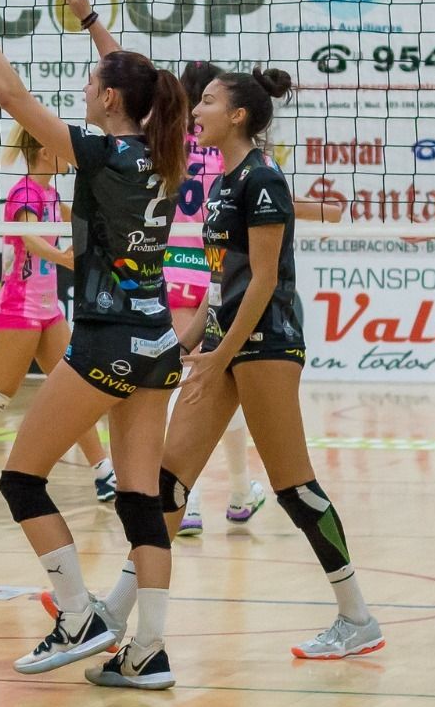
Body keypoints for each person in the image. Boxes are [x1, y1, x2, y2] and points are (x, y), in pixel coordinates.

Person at [0, 0, 188, 690]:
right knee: (137, 498)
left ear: (109, 101)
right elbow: (134, 78)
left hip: (108, 339)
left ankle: (76, 612)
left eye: (92, 83)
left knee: (21, 479)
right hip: (157, 338)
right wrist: (93, 21)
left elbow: (12, 98)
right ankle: (148, 650)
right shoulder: (164, 150)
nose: (85, 90)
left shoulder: (101, 155)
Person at [127, 68, 385, 661]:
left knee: (294, 486)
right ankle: (116, 610)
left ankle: (357, 616)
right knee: (166, 485)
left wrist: (220, 355)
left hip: (267, 344)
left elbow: (264, 281)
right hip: (224, 341)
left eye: (209, 102)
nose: (198, 110)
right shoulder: (221, 181)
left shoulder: (264, 180)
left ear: (239, 115)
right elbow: (222, 284)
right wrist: (185, 344)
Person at [0, 123, 116, 504]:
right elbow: (28, 236)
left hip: (49, 310)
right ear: (46, 152)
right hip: (19, 308)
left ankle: (105, 473)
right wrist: (65, 258)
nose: (69, 157)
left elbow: (80, 221)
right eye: (62, 150)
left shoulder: (49, 193)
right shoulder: (25, 192)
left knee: (75, 390)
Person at [170, 62, 266, 535]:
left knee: (193, 377)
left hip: (175, 267)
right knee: (214, 379)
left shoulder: (166, 142)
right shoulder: (237, 157)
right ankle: (237, 490)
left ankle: (192, 501)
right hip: (217, 272)